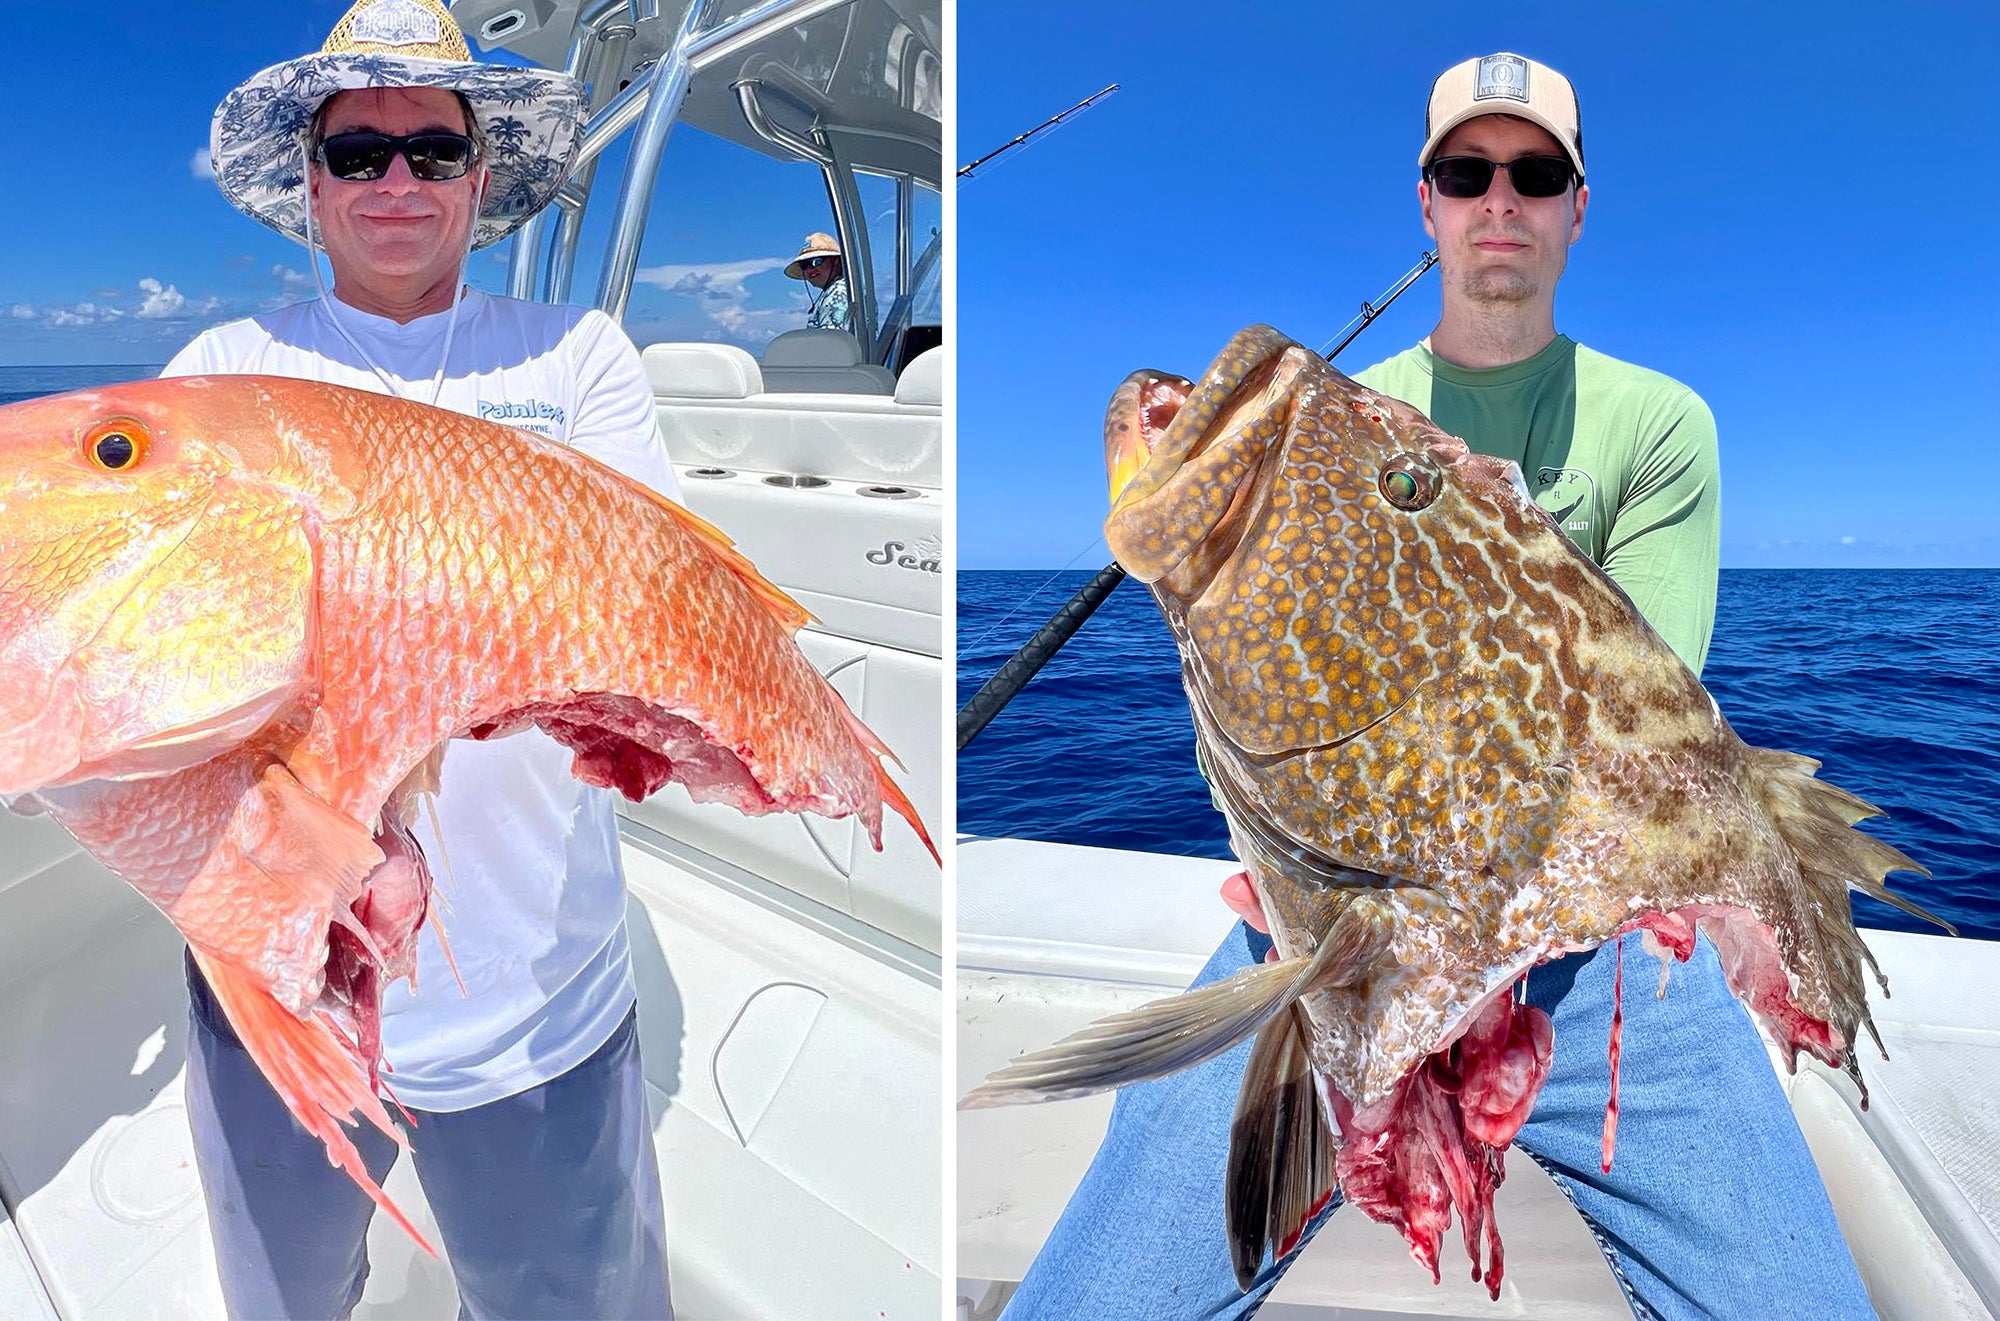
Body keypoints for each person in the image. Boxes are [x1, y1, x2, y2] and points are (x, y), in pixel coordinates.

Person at [1003, 52, 1877, 1321]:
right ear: (1428, 204)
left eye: (1535, 172)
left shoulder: (1659, 421)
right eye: (1467, 172)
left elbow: (1640, 716)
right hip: (1345, 922)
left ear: (1578, 203)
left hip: (1603, 945)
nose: (1499, 198)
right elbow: (1280, 681)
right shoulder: (1363, 413)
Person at [163, 2, 674, 1316]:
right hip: (275, 976)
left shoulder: (576, 358)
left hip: (534, 987)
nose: (397, 182)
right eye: (360, 154)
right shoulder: (226, 370)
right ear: (312, 184)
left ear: (479, 175)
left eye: (432, 152)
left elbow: (645, 607)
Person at [785, 230, 853, 331]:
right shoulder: (847, 289)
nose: (810, 269)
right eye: (804, 265)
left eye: (816, 261)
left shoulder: (838, 293)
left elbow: (830, 342)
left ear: (836, 262)